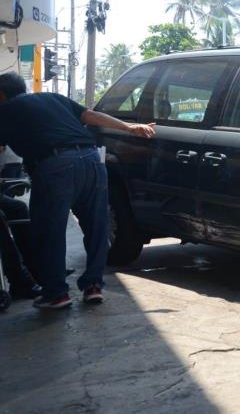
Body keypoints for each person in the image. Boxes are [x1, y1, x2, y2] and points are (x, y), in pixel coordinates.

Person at [0, 72, 155, 309]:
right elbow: (91, 116)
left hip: (55, 166)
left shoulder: (6, 110)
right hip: (92, 160)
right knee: (96, 227)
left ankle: (56, 293)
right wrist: (130, 127)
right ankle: (93, 286)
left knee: (48, 231)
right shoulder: (53, 98)